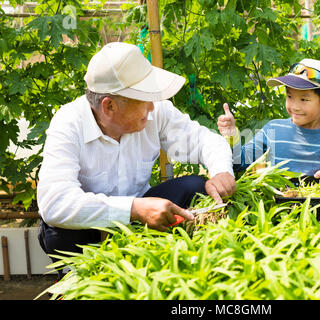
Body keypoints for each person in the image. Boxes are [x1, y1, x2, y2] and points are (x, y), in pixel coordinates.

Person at [37, 42, 236, 276]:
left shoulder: (156, 112)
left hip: (142, 212)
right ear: (109, 106)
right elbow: (55, 202)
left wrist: (221, 170)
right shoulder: (69, 123)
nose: (152, 106)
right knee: (58, 232)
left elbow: (204, 140)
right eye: (143, 99)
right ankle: (80, 278)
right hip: (90, 227)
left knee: (195, 186)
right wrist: (133, 208)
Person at [217, 58, 320, 178]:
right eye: (290, 96)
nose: (295, 106)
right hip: (280, 205)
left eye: (304, 99)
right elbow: (238, 162)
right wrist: (231, 136)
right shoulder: (273, 129)